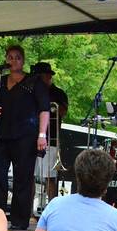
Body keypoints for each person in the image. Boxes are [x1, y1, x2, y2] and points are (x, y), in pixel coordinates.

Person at [0, 45, 50, 230]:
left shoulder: (34, 82)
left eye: (17, 57)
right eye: (10, 57)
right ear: (6, 59)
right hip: (1, 136)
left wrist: (42, 135)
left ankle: (20, 221)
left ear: (23, 60)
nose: (14, 61)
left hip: (25, 137)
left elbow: (44, 110)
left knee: (23, 178)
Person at [32, 61, 68, 201]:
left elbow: (64, 112)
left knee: (49, 178)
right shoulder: (32, 90)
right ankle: (28, 212)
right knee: (29, 177)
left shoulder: (58, 93)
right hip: (31, 138)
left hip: (50, 139)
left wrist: (48, 103)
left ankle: (52, 209)